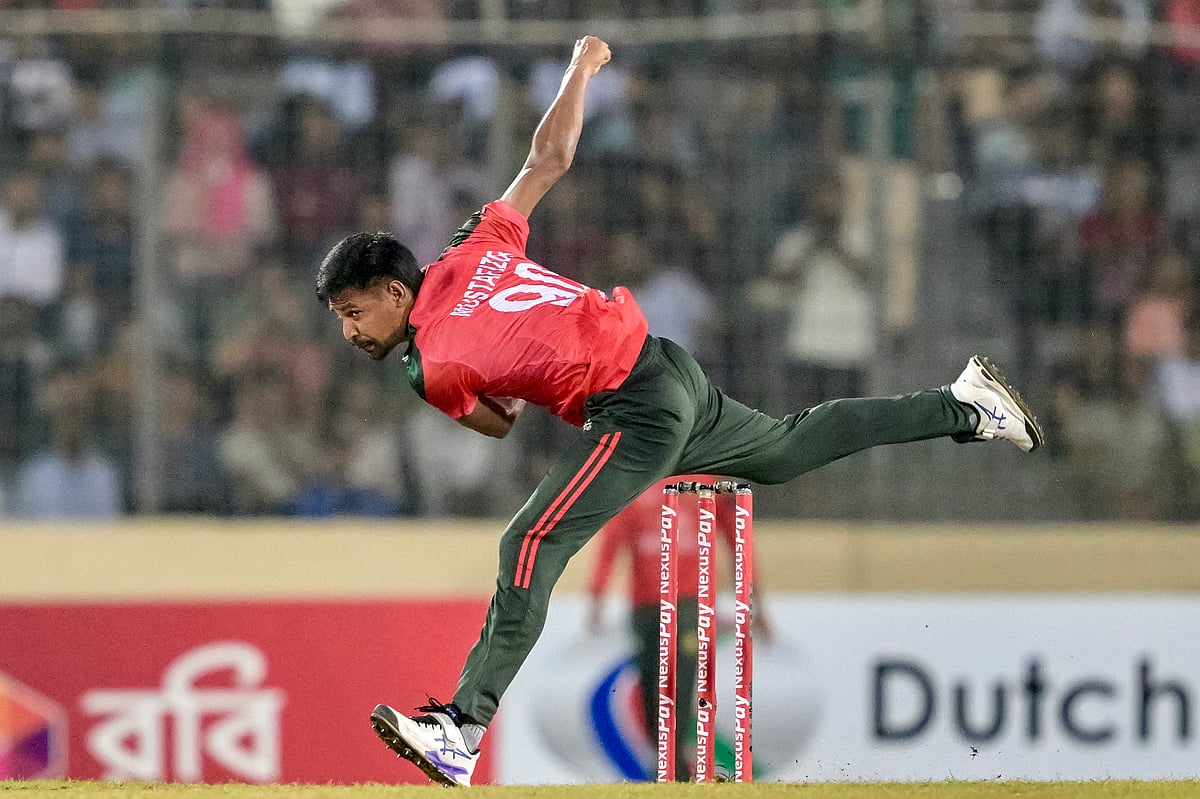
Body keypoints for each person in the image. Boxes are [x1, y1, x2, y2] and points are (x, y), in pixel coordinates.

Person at [315, 35, 1045, 787]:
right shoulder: (472, 244)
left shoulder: (430, 365)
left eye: (353, 312)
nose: (349, 332)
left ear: (395, 293)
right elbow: (547, 161)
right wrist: (581, 68)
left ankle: (461, 730)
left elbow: (500, 421)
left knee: (529, 540)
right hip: (668, 366)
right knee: (787, 448)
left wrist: (498, 384)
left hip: (631, 407)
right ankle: (963, 406)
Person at [585, 475, 771, 781]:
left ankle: (670, 764)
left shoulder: (707, 484)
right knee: (649, 684)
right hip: (645, 606)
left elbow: (738, 540)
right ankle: (669, 762)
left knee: (679, 681)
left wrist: (756, 602)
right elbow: (612, 541)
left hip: (690, 604)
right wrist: (597, 596)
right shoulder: (637, 482)